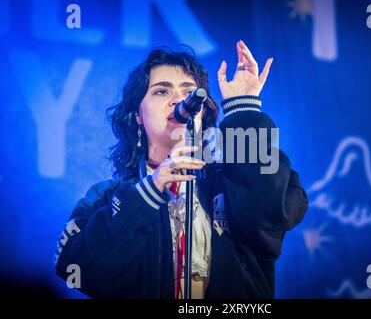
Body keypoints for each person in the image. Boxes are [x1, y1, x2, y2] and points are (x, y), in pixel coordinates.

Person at [54, 40, 308, 299]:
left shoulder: (233, 178)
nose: (178, 99)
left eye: (188, 91)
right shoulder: (108, 196)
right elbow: (76, 269)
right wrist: (150, 190)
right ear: (137, 116)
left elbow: (276, 213)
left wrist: (244, 109)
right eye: (161, 91)